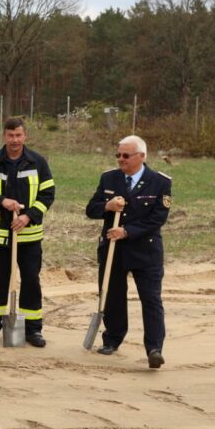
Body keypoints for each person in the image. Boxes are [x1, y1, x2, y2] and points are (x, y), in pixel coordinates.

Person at [85, 135, 171, 369]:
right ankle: (112, 339)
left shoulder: (159, 182)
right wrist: (107, 206)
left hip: (146, 250)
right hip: (114, 250)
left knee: (151, 299)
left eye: (126, 155)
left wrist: (127, 231)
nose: (121, 159)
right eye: (118, 155)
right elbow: (90, 209)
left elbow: (158, 218)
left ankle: (154, 348)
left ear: (141, 156)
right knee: (112, 295)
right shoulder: (109, 178)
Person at [0, 117, 55, 346]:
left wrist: (28, 217)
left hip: (29, 236)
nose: (15, 140)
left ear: (25, 135)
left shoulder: (38, 162)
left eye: (18, 135)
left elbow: (48, 195)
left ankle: (32, 329)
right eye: (10, 135)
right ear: (4, 136)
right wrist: (0, 201)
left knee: (30, 281)